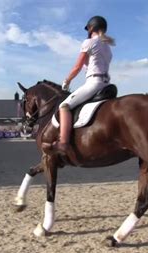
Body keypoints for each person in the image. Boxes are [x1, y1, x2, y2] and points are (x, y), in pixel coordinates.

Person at [49, 15, 115, 155]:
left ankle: (63, 143)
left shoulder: (89, 42)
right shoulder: (108, 48)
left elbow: (77, 67)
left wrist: (67, 80)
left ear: (91, 28)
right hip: (106, 84)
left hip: (94, 82)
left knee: (64, 106)